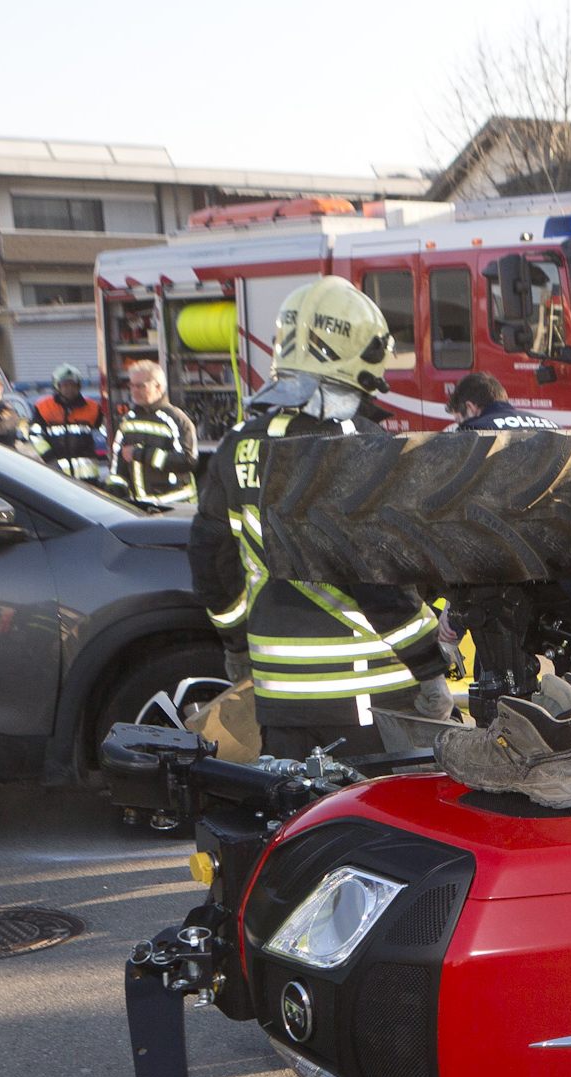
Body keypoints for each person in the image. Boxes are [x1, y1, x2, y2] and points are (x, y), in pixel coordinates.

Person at [190, 279, 449, 759]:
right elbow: (378, 575)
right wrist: (429, 664)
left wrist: (235, 641)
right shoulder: (360, 447)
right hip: (371, 697)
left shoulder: (239, 445)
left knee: (300, 826)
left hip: (279, 700)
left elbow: (211, 559)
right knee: (376, 830)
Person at [441, 374, 571, 789]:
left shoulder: (469, 436)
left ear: (471, 408)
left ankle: (513, 748)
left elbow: (466, 540)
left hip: (512, 585)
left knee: (494, 623)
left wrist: (453, 620)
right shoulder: (553, 429)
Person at [108, 361, 201, 508]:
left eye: (140, 386)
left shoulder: (176, 419)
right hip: (141, 508)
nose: (134, 390)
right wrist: (115, 488)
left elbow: (188, 460)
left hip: (175, 506)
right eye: (131, 385)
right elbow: (117, 462)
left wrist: (141, 454)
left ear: (158, 387)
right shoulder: (128, 420)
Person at [31, 365, 106, 480]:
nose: (69, 389)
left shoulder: (93, 408)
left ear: (78, 386)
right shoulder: (44, 408)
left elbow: (107, 432)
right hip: (57, 476)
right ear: (57, 386)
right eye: (65, 385)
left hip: (88, 478)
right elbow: (35, 436)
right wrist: (50, 459)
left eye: (73, 385)